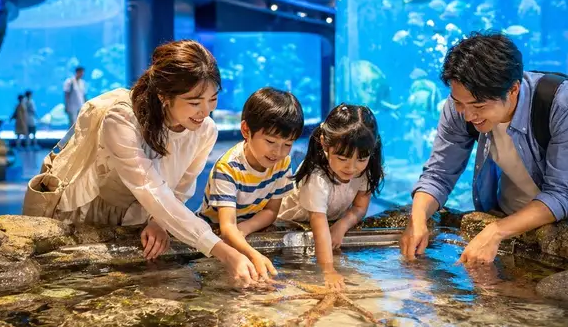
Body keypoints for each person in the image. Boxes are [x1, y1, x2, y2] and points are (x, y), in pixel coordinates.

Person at [27, 40, 258, 287]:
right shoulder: (122, 119)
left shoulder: (206, 131)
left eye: (213, 99)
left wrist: (158, 222)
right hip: (94, 212)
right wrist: (224, 252)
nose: (205, 111)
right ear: (164, 96)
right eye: (194, 102)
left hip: (143, 216)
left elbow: (181, 187)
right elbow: (149, 187)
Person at [400, 31, 568, 265]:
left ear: (513, 90)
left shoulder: (565, 103)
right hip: (507, 219)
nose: (468, 115)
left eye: (479, 106)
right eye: (459, 102)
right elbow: (439, 175)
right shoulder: (460, 103)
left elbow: (562, 195)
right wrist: (417, 220)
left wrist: (496, 231)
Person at [198, 87, 304, 279]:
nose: (278, 152)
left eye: (287, 144)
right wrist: (254, 254)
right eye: (270, 141)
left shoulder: (282, 163)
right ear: (246, 130)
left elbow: (271, 211)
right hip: (213, 234)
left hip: (246, 229)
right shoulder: (227, 168)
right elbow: (227, 227)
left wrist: (244, 229)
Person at [278, 104, 384, 290]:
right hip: (290, 222)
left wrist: (342, 226)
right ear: (325, 144)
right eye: (342, 159)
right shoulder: (316, 177)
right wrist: (328, 271)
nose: (351, 168)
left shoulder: (366, 169)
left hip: (328, 220)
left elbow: (360, 207)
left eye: (361, 159)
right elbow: (319, 227)